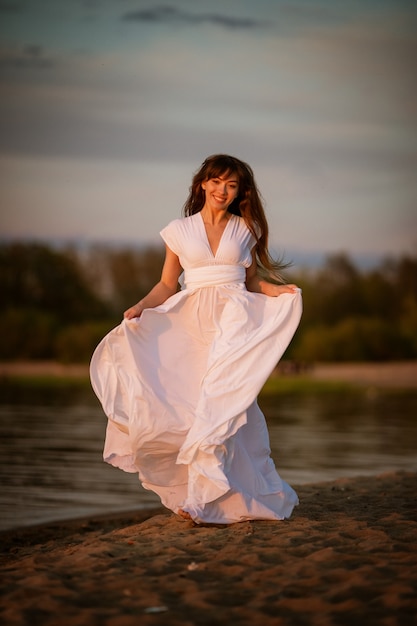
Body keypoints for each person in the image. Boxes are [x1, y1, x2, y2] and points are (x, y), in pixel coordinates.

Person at [90, 154, 302, 525]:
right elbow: (167, 285)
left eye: (231, 185)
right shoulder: (179, 230)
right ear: (203, 183)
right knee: (193, 406)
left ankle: (213, 499)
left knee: (226, 404)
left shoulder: (245, 229)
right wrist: (141, 306)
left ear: (239, 192)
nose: (223, 190)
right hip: (191, 325)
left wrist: (280, 291)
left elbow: (252, 283)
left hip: (234, 323)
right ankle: (201, 496)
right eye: (217, 182)